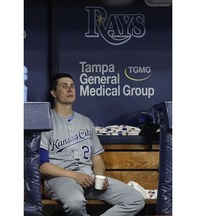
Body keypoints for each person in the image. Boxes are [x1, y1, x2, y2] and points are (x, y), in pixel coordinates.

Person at [39, 73, 145, 216]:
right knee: (75, 203)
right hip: (61, 179)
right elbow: (43, 166)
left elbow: (96, 158)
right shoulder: (45, 122)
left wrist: (100, 176)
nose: (70, 90)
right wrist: (75, 176)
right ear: (54, 93)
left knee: (135, 199)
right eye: (64, 86)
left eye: (72, 86)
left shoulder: (86, 122)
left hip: (89, 178)